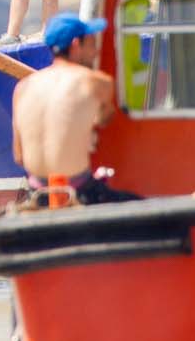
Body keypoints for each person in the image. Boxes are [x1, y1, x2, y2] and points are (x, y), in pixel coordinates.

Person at [13, 14, 136, 206]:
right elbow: (106, 121)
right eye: (92, 43)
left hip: (37, 196)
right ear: (76, 44)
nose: (96, 51)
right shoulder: (96, 82)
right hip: (80, 192)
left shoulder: (23, 88)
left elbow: (19, 157)